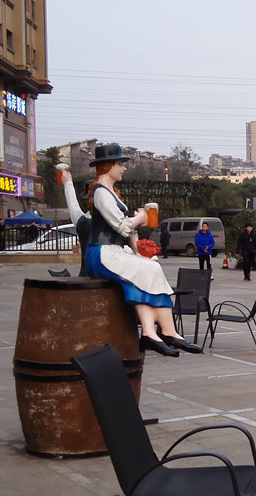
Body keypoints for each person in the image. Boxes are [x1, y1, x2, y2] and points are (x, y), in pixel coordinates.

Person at [83, 143, 200, 357]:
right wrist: (141, 217)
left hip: (113, 251)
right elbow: (122, 226)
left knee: (149, 271)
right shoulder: (101, 193)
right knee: (150, 270)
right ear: (108, 166)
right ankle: (162, 332)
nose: (124, 168)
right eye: (120, 164)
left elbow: (125, 230)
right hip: (101, 253)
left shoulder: (110, 192)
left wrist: (137, 246)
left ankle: (156, 332)